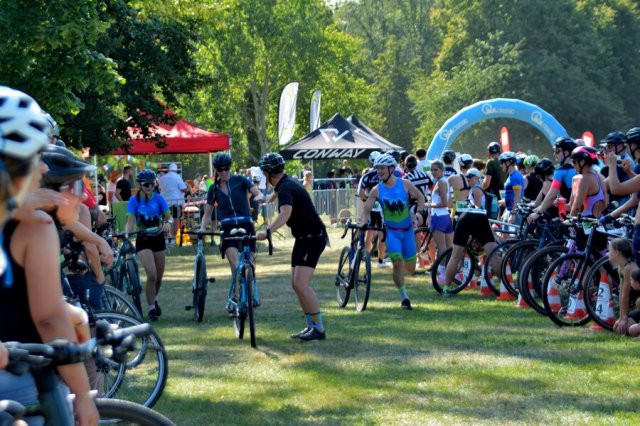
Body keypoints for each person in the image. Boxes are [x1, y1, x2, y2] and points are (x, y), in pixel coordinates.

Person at [0, 86, 99, 425]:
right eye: (35, 155)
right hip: (18, 381)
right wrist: (83, 395)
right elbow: (49, 318)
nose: (43, 168)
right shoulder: (34, 226)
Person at [256, 153, 327, 341]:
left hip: (312, 237)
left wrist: (268, 231)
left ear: (268, 173)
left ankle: (318, 328)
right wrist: (268, 199)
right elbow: (277, 194)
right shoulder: (286, 183)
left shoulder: (286, 188)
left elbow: (286, 213)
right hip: (303, 237)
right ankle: (311, 325)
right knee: (296, 284)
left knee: (301, 284)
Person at [363, 153, 427, 310]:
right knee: (397, 263)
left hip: (408, 232)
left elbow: (421, 197)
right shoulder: (376, 190)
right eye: (377, 169)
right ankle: (404, 297)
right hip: (391, 232)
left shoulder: (404, 184)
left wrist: (419, 213)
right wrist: (364, 223)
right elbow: (366, 209)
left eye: (382, 168)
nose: (379, 172)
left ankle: (403, 271)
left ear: (391, 169)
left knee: (410, 269)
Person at [199, 153, 263, 274]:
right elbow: (207, 214)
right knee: (236, 265)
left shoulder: (241, 180)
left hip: (246, 224)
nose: (224, 172)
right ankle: (237, 286)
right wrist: (202, 228)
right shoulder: (214, 189)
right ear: (216, 170)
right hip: (228, 227)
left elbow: (257, 192)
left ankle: (249, 283)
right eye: (220, 169)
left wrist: (258, 196)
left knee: (250, 265)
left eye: (226, 168)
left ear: (230, 167)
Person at [125, 169, 173, 321]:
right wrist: (126, 233)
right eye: (146, 184)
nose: (150, 187)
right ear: (139, 185)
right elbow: (130, 221)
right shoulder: (134, 200)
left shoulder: (159, 198)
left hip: (158, 238)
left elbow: (168, 216)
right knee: (151, 274)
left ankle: (153, 299)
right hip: (143, 239)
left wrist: (168, 223)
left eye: (152, 184)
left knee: (158, 277)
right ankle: (152, 308)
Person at [527, 137, 577, 223]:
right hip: (579, 214)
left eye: (557, 151)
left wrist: (538, 213)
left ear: (566, 152)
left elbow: (551, 195)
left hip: (566, 216)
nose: (554, 154)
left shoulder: (560, 172)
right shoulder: (579, 169)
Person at [358, 151, 390, 268]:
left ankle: (366, 259)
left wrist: (370, 198)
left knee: (369, 232)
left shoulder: (366, 176)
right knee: (382, 234)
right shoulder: (386, 174)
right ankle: (380, 261)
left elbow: (361, 194)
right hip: (383, 208)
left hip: (370, 208)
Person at [606, 238, 640, 336]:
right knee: (618, 329)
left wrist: (624, 318)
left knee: (626, 329)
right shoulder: (621, 267)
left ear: (617, 253)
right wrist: (621, 317)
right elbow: (621, 293)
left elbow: (625, 295)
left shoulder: (629, 268)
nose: (608, 253)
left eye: (610, 250)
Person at [427, 160, 454, 283]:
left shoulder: (441, 183)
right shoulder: (445, 181)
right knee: (449, 248)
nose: (433, 172)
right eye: (432, 170)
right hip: (445, 217)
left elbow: (444, 203)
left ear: (442, 170)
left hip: (438, 217)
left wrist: (428, 205)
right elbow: (449, 203)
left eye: (436, 170)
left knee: (442, 249)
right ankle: (451, 273)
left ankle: (442, 275)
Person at [567, 147, 607, 218]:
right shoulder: (601, 177)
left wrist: (568, 221)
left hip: (586, 222)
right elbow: (571, 206)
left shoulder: (584, 179)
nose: (572, 165)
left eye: (574, 162)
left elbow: (576, 207)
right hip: (599, 221)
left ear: (582, 162)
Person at [159, 162, 188, 242]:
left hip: (165, 203)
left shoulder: (163, 177)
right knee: (175, 220)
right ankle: (174, 238)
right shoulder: (177, 177)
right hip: (175, 202)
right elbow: (183, 189)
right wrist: (187, 187)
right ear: (175, 170)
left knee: (166, 220)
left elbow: (160, 188)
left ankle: (166, 238)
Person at [498, 151, 525, 224]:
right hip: (509, 210)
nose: (501, 165)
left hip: (514, 213)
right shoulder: (511, 175)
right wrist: (505, 212)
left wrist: (513, 214)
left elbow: (517, 196)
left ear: (508, 162)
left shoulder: (515, 177)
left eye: (502, 162)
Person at [483, 142, 505, 219]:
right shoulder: (504, 161)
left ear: (489, 152)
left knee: (491, 218)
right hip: (503, 194)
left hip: (492, 194)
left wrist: (481, 189)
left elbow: (487, 182)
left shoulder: (490, 162)